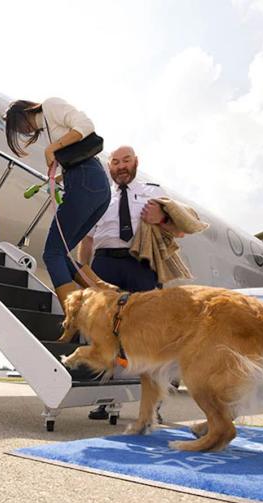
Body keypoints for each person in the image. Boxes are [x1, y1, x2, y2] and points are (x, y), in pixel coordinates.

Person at [77, 145, 184, 420]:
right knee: (104, 333)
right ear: (109, 167)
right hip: (104, 264)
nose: (121, 166)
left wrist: (160, 219)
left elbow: (180, 230)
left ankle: (152, 405)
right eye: (115, 162)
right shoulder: (98, 196)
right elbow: (86, 240)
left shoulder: (153, 190)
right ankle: (103, 399)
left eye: (126, 160)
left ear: (135, 162)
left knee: (149, 335)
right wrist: (85, 276)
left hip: (141, 264)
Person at [4, 98, 112, 311]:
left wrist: (52, 149)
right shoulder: (48, 126)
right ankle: (110, 296)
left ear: (23, 113)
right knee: (61, 255)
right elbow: (77, 158)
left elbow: (86, 126)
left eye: (18, 126)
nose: (23, 131)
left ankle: (74, 317)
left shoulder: (51, 105)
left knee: (52, 254)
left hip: (85, 181)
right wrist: (59, 176)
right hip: (96, 187)